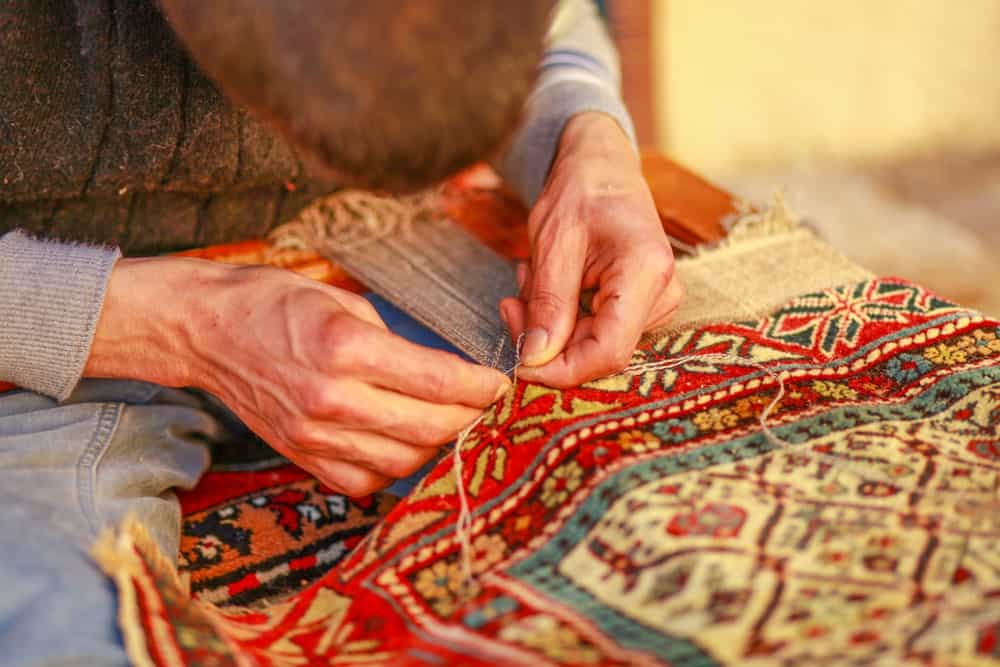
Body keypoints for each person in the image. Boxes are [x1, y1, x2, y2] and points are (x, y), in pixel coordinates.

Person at [0, 0, 681, 663]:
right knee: (53, 627)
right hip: (38, 325)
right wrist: (181, 326)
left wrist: (582, 135)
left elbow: (555, 29)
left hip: (378, 246)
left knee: (644, 524)